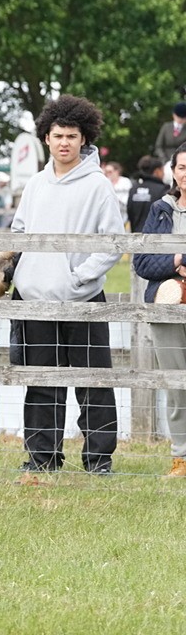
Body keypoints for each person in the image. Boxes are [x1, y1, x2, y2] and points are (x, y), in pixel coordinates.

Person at [7, 95, 123, 474]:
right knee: (41, 382)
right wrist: (16, 273)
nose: (64, 143)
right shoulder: (36, 184)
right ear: (46, 137)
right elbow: (19, 232)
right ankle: (42, 459)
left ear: (83, 138)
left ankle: (99, 460)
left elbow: (113, 242)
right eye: (58, 135)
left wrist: (79, 277)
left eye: (72, 136)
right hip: (35, 299)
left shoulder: (98, 186)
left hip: (82, 299)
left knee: (93, 382)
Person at [133, 143, 186, 478]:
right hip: (167, 306)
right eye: (182, 167)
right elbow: (142, 262)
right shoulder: (160, 210)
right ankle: (182, 457)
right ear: (173, 172)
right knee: (176, 384)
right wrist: (177, 261)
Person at [127, 155, 170, 232]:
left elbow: (129, 213)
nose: (164, 174)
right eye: (162, 171)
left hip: (136, 235)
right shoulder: (163, 189)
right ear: (157, 171)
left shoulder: (133, 189)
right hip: (156, 237)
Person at [153, 100, 186, 165]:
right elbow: (158, 146)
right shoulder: (166, 127)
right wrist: (164, 159)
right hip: (165, 160)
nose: (180, 119)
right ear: (174, 115)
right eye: (178, 117)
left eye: (183, 118)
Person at [102, 161, 132, 228]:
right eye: (106, 172)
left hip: (124, 215)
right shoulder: (105, 182)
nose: (108, 174)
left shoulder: (125, 182)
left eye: (110, 172)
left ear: (117, 171)